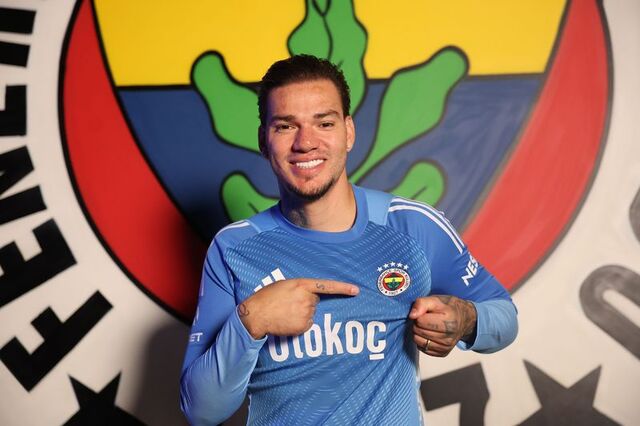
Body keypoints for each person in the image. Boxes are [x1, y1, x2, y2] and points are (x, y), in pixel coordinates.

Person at [180, 55, 517, 425]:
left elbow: (504, 316)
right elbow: (201, 412)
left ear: (349, 132)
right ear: (264, 140)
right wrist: (251, 321)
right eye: (285, 126)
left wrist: (467, 318)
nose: (306, 142)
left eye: (324, 123)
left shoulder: (410, 225)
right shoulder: (233, 248)